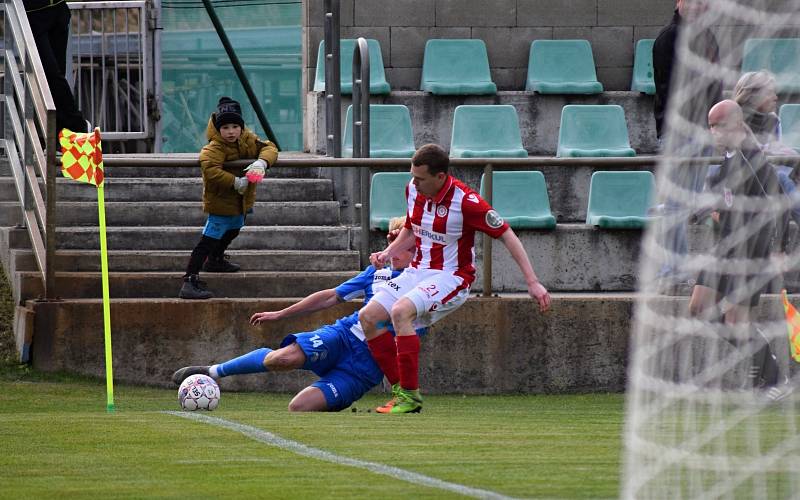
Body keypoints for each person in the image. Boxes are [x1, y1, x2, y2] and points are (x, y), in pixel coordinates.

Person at [358, 144, 551, 414]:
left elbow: (507, 234)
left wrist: (532, 281)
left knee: (401, 311)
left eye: (420, 178)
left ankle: (410, 397)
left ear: (440, 177)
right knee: (367, 317)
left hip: (451, 276)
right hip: (417, 271)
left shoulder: (467, 202)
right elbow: (413, 228)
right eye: (412, 176)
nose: (414, 182)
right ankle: (402, 391)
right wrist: (389, 252)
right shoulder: (413, 189)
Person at [171, 217, 421, 411]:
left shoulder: (426, 286)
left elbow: (410, 334)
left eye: (402, 245)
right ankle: (212, 371)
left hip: (366, 367)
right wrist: (281, 314)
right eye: (390, 242)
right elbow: (330, 296)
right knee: (281, 359)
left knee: (299, 407)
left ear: (418, 250)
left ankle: (335, 396)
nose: (393, 250)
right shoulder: (376, 273)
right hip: (343, 337)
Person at [688, 100, 788, 399]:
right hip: (725, 248)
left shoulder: (753, 160)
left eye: (715, 126)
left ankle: (772, 377)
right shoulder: (727, 161)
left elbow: (779, 204)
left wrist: (779, 249)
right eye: (709, 126)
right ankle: (760, 364)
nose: (712, 133)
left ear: (733, 125)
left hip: (749, 251)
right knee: (699, 308)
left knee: (735, 320)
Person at [652, 0, 724, 294]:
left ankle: (677, 268)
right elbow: (666, 89)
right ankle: (670, 269)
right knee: (675, 203)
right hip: (678, 134)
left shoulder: (708, 37)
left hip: (703, 132)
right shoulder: (668, 38)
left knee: (689, 200)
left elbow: (716, 85)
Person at [179, 97, 278, 300]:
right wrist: (235, 182)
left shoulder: (248, 139)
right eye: (225, 127)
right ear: (218, 129)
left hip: (241, 203)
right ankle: (189, 280)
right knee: (206, 242)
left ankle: (215, 259)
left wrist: (262, 162)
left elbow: (270, 147)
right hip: (221, 204)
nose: (231, 131)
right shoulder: (214, 147)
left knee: (233, 230)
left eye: (235, 126)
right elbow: (210, 169)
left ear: (241, 127)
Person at [733, 70, 800, 230]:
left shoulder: (773, 120)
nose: (776, 97)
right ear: (752, 95)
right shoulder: (734, 119)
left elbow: (776, 154)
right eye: (770, 93)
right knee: (783, 178)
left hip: (770, 178)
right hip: (743, 180)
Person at [24, 0, 88, 133]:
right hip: (32, 14)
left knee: (57, 75)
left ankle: (61, 134)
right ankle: (77, 125)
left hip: (58, 11)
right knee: (50, 74)